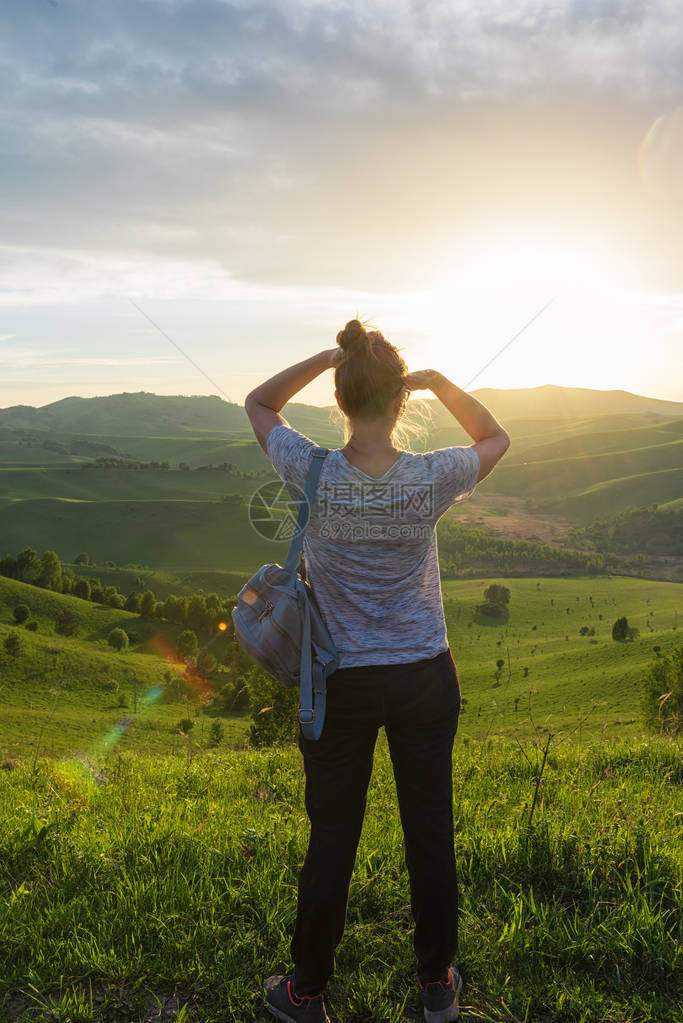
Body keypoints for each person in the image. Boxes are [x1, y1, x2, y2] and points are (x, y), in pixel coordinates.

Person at [244, 319, 510, 1023]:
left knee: (332, 833)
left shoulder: (313, 470)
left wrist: (326, 357)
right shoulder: (429, 475)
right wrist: (440, 383)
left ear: (340, 396)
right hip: (424, 674)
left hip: (342, 682)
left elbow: (258, 403)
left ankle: (305, 991)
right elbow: (496, 438)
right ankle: (435, 985)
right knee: (429, 828)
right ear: (399, 401)